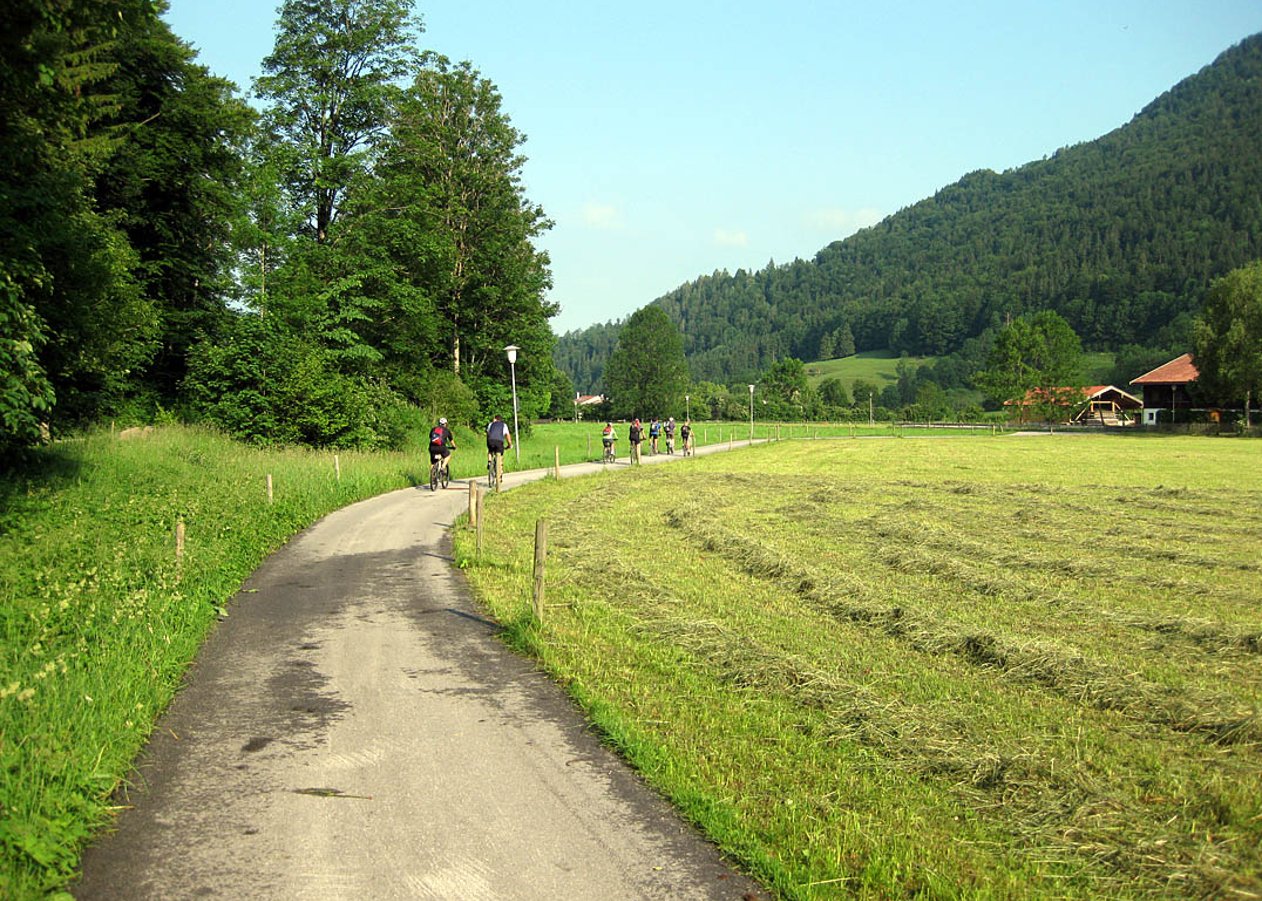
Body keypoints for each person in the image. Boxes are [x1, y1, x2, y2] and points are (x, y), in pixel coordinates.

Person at [486, 414, 512, 480]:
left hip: (490, 441)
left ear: (495, 419)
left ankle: (489, 462)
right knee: (500, 456)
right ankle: (500, 474)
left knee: (490, 451)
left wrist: (488, 443)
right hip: (499, 442)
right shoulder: (504, 425)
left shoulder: (490, 424)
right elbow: (507, 436)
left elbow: (488, 433)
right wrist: (509, 444)